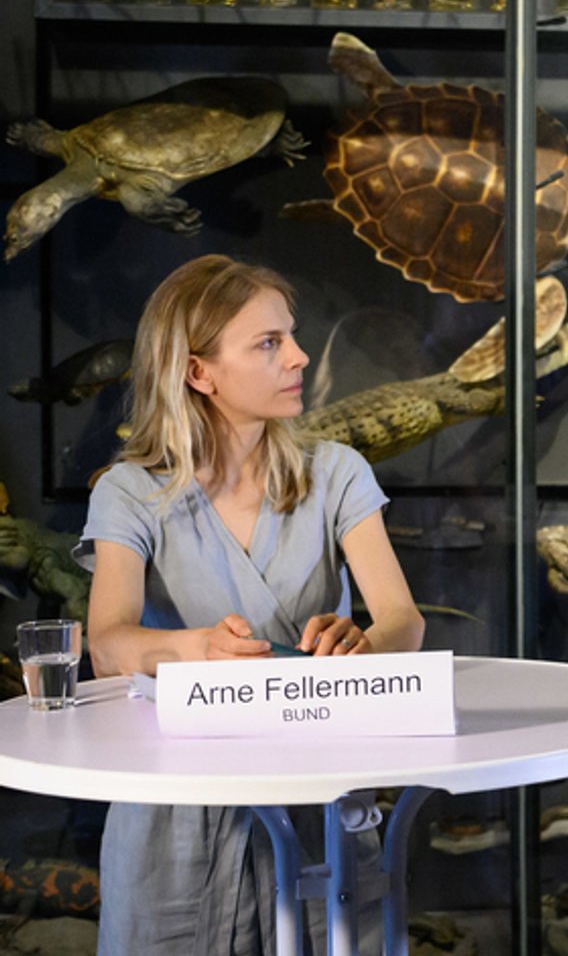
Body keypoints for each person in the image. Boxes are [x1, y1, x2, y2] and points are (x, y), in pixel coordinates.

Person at [79, 254, 425, 955]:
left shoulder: (336, 474)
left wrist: (361, 641)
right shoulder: (127, 491)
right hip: (170, 812)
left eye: (289, 335)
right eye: (269, 343)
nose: (298, 356)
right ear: (197, 371)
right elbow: (107, 643)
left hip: (318, 795)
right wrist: (195, 646)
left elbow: (403, 620)